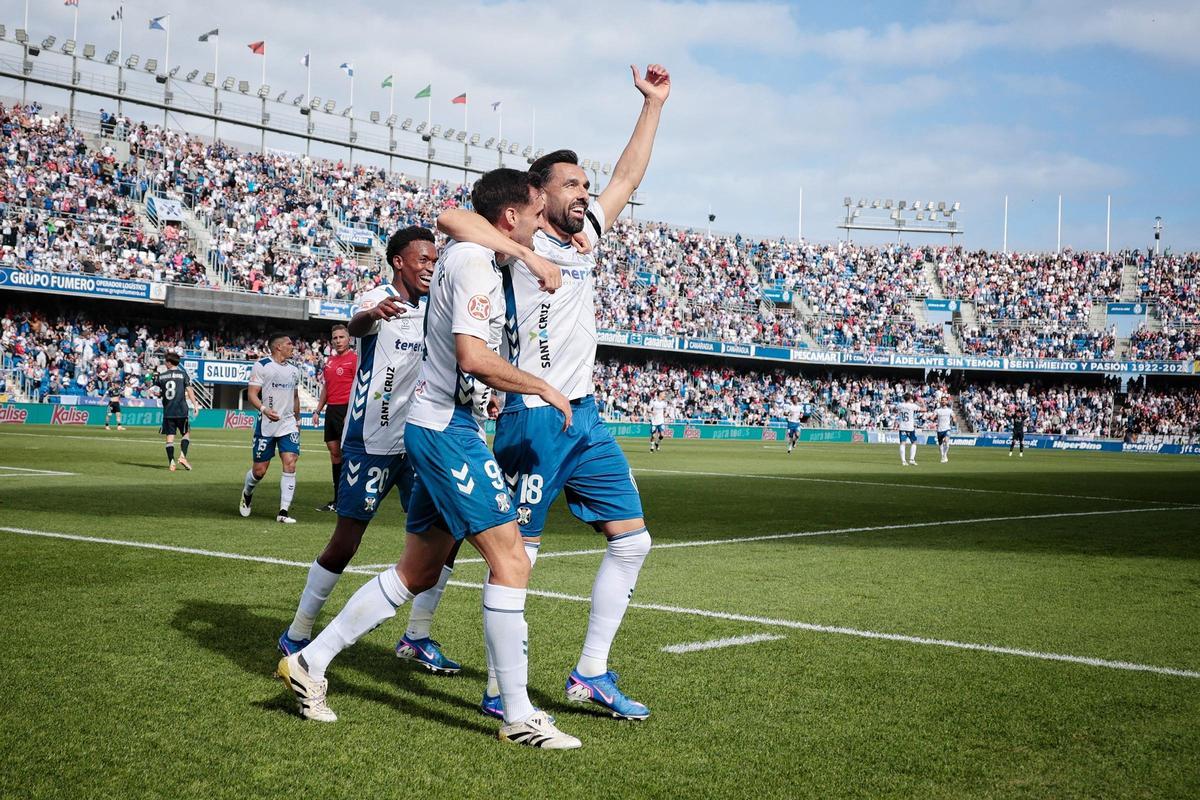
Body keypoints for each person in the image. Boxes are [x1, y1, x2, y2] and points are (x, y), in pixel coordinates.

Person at [275, 169, 581, 749]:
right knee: (511, 560)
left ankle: (311, 660)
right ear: (512, 217)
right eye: (538, 211)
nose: (544, 222)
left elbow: (463, 223)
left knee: (416, 571)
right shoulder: (471, 261)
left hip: (444, 425)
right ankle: (517, 714)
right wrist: (538, 386)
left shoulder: (484, 254)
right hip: (446, 432)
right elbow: (470, 354)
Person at [438, 64, 670, 722]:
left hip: (586, 415)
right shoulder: (517, 237)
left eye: (583, 184)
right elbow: (452, 216)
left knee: (633, 542)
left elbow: (628, 176)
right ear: (538, 194)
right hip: (531, 418)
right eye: (571, 183)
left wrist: (652, 105)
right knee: (519, 558)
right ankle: (499, 687)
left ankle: (589, 673)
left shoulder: (587, 232)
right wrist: (532, 256)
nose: (584, 193)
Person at [279, 227, 463, 677]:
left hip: (420, 439)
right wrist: (373, 314)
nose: (430, 266)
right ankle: (299, 632)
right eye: (423, 259)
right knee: (347, 540)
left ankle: (416, 637)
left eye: (435, 260)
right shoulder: (376, 297)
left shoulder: (434, 305)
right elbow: (358, 324)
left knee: (447, 534)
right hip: (371, 440)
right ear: (399, 261)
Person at [239, 333, 302, 523]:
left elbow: (295, 396)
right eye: (290, 343)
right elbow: (251, 394)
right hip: (266, 424)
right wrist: (265, 410)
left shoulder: (294, 370)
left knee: (290, 462)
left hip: (288, 424)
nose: (293, 346)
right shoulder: (262, 365)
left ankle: (283, 512)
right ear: (278, 347)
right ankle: (247, 493)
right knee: (259, 471)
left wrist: (297, 421)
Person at [312, 324, 357, 512]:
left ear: (349, 339)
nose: (338, 341)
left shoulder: (355, 359)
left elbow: (359, 387)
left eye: (341, 337)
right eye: (335, 338)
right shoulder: (329, 361)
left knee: (349, 454)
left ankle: (350, 498)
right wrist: (318, 409)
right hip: (331, 410)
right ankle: (338, 500)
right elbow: (326, 387)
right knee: (334, 451)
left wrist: (351, 412)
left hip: (347, 409)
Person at [155, 352, 197, 471]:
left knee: (170, 438)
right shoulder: (183, 374)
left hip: (168, 411)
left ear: (169, 362)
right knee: (186, 434)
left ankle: (171, 462)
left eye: (165, 361)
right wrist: (195, 404)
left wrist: (159, 394)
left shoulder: (161, 376)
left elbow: (161, 392)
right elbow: (189, 390)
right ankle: (183, 456)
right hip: (181, 410)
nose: (164, 363)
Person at [896, 392, 922, 466]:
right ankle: (911, 459)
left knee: (902, 443)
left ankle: (904, 461)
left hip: (902, 427)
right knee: (914, 442)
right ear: (910, 398)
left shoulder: (900, 405)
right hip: (910, 427)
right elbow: (923, 409)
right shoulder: (912, 406)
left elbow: (895, 409)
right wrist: (922, 402)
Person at [933, 396, 955, 463]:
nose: (944, 401)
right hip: (939, 429)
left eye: (945, 400)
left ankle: (945, 455)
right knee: (940, 444)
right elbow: (933, 415)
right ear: (941, 401)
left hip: (947, 429)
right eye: (942, 400)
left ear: (947, 401)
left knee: (947, 442)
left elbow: (954, 415)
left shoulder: (949, 410)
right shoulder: (937, 410)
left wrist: (954, 419)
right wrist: (932, 417)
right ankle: (942, 455)